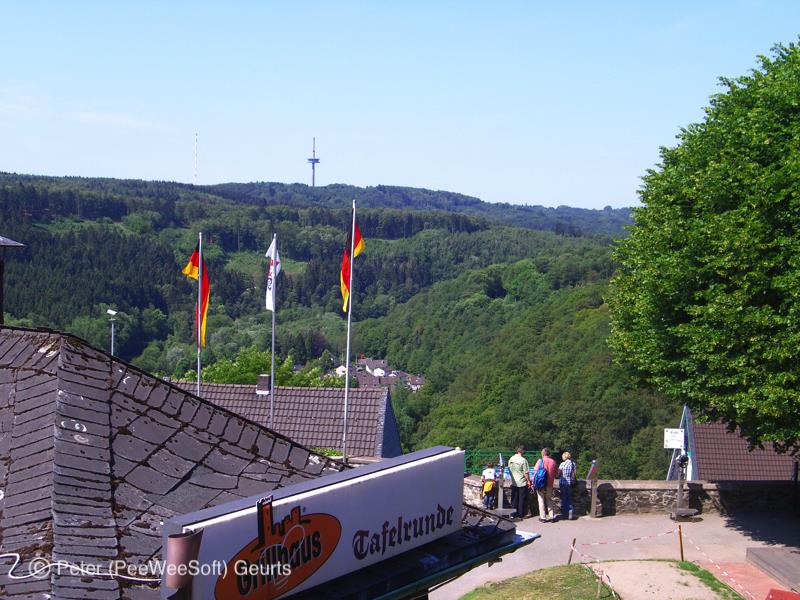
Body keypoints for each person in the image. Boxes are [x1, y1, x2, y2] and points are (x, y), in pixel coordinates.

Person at [533, 447, 557, 522]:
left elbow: (535, 472)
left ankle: (543, 517)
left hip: (541, 484)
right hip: (549, 484)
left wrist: (533, 482)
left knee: (541, 500)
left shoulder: (540, 461)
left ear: (543, 453)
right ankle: (551, 516)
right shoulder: (553, 461)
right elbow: (556, 473)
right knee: (549, 499)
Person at [508, 446, 531, 519]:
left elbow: (509, 469)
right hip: (522, 482)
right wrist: (529, 482)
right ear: (522, 451)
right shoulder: (523, 460)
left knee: (514, 499)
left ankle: (512, 514)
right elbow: (526, 473)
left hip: (514, 481)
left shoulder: (511, 459)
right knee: (521, 499)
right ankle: (520, 514)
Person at [558, 451, 577, 520]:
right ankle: (570, 511)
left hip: (563, 483)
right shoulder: (573, 464)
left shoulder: (562, 464)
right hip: (570, 484)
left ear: (565, 457)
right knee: (569, 498)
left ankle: (565, 514)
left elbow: (558, 474)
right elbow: (575, 473)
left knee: (563, 498)